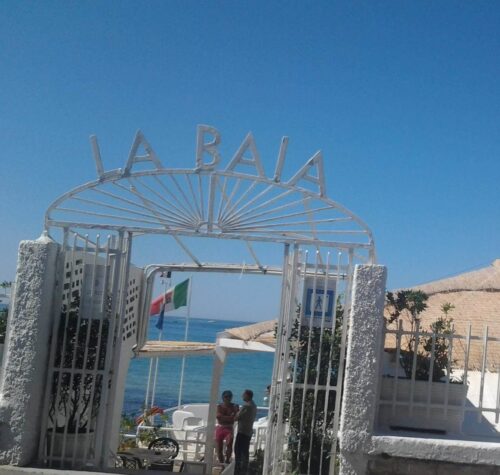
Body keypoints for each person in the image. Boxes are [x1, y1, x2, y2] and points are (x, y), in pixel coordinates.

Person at [234, 389, 257, 475]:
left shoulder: (246, 406)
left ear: (247, 395)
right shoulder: (254, 405)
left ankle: (238, 470)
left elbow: (236, 417)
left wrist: (237, 410)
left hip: (243, 431)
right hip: (248, 431)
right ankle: (244, 470)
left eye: (243, 395)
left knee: (238, 451)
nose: (242, 396)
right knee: (245, 451)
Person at [215, 390, 239, 464]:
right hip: (220, 428)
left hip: (229, 428)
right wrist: (230, 417)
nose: (227, 398)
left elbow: (235, 418)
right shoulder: (219, 406)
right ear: (223, 397)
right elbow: (218, 417)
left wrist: (224, 417)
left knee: (229, 444)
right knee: (219, 447)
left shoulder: (235, 406)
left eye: (229, 396)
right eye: (226, 397)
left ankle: (227, 461)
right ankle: (221, 463)